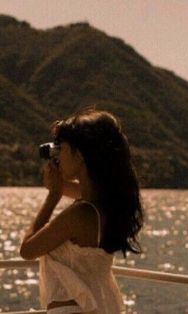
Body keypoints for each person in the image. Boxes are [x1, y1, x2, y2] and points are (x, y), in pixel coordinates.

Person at [20, 108, 144, 314]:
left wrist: (52, 199)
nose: (58, 155)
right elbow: (78, 190)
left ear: (81, 155)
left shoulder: (81, 214)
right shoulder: (105, 202)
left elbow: (28, 250)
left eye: (63, 148)